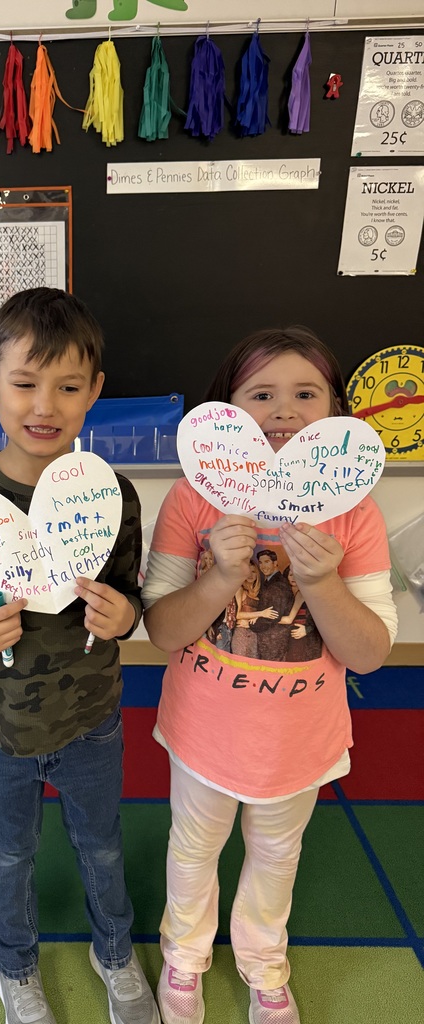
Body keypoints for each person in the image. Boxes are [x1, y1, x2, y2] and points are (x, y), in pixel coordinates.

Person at [0, 288, 158, 1024]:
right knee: (9, 854)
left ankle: (113, 952)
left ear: (95, 394)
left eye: (68, 386)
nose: (43, 403)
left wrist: (125, 615)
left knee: (102, 847)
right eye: (23, 383)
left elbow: (127, 593)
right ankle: (15, 967)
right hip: (4, 723)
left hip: (93, 720)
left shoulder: (112, 495)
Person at [142, 327, 397, 1024]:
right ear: (226, 413)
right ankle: (185, 960)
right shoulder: (194, 502)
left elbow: (370, 650)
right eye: (262, 394)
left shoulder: (355, 513)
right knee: (193, 847)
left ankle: (264, 964)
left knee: (277, 853)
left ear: (337, 413)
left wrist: (321, 583)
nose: (284, 411)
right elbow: (162, 629)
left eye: (305, 394)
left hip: (299, 742)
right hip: (205, 733)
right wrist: (221, 573)